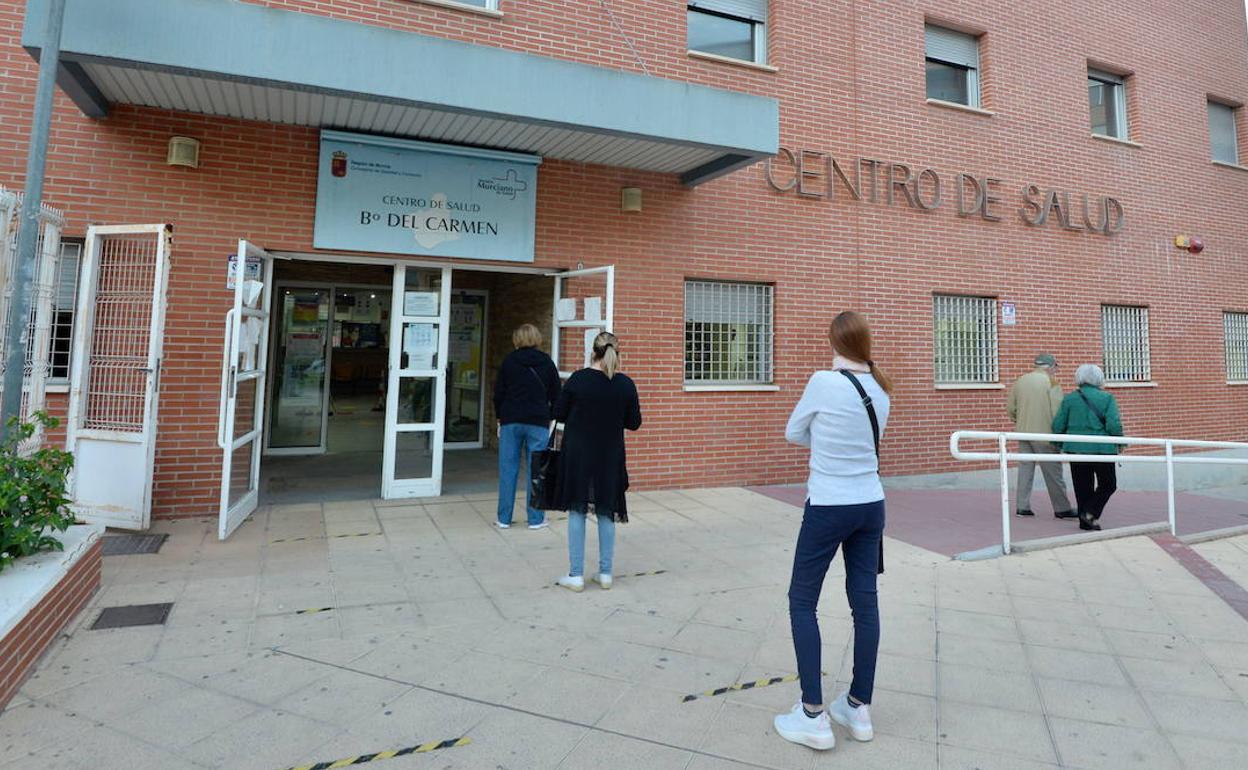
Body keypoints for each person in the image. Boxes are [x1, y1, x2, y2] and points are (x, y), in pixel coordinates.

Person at [774, 311, 891, 751]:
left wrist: (822, 439)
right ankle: (859, 707)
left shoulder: (823, 382)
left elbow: (792, 432)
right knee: (865, 602)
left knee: (802, 601)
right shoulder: (882, 389)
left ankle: (812, 715)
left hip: (828, 505)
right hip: (871, 504)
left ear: (834, 343)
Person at [552, 331, 641, 592]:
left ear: (593, 352)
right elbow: (634, 423)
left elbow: (558, 413)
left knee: (577, 510)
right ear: (617, 353)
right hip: (610, 455)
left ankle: (576, 574)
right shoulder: (625, 384)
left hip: (578, 455)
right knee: (606, 510)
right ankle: (605, 573)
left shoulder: (578, 380)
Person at [493, 323, 561, 530]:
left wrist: (499, 418)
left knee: (508, 469)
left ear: (517, 339)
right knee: (537, 470)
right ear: (537, 338)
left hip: (511, 421)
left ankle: (504, 518)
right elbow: (556, 394)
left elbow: (498, 393)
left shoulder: (509, 362)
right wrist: (550, 416)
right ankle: (536, 518)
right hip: (538, 421)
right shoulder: (547, 362)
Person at [1052, 363, 1123, 532]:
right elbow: (1114, 425)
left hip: (1076, 449)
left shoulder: (1069, 399)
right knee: (1108, 484)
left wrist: (1060, 444)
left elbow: (1057, 425)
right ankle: (1090, 514)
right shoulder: (1107, 398)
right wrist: (1119, 442)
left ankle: (1085, 520)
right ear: (1099, 378)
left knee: (1082, 486)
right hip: (1102, 449)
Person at [1006, 354, 1076, 519]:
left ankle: (1022, 507)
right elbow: (1057, 411)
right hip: (1045, 434)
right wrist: (1061, 433)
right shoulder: (1051, 382)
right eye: (1056, 367)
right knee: (1053, 472)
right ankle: (1062, 508)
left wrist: (1020, 420)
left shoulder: (1021, 380)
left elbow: (1011, 408)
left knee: (1025, 469)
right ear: (1050, 366)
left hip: (1023, 432)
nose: (1056, 370)